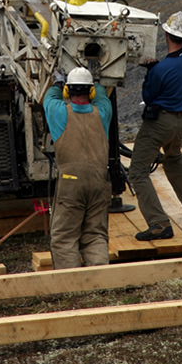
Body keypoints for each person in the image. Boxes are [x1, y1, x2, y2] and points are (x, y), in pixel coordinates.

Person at [128, 0, 182, 240]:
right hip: (181, 122)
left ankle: (159, 224)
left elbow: (149, 97)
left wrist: (150, 71)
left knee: (138, 172)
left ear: (166, 34)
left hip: (159, 124)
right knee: (173, 157)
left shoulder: (162, 69)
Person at [43, 66, 113, 268]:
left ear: (68, 91)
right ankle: (101, 278)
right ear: (90, 91)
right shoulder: (103, 112)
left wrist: (58, 83)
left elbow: (49, 98)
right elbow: (102, 96)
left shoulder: (59, 112)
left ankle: (72, 282)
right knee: (96, 235)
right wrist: (96, 80)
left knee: (64, 238)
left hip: (70, 183)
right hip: (100, 181)